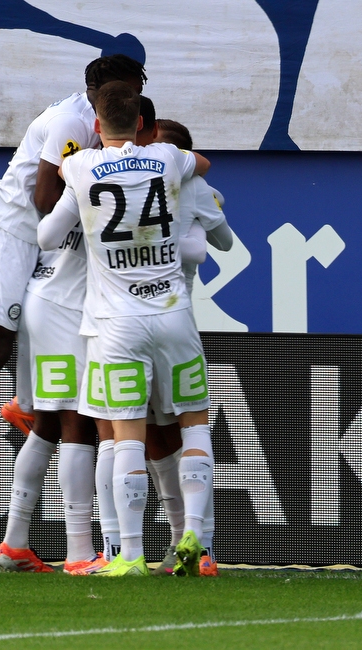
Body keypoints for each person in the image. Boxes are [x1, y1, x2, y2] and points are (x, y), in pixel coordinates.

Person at [0, 55, 148, 519]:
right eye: (128, 89)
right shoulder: (73, 121)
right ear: (101, 88)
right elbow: (45, 198)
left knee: (36, 315)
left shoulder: (88, 119)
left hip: (32, 239)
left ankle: (21, 402)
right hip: (6, 234)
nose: (133, 99)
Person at [38, 81, 215, 577]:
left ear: (96, 125)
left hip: (116, 323)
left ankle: (130, 554)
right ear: (141, 122)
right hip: (174, 314)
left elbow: (46, 235)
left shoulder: (79, 167)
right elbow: (201, 164)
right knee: (194, 426)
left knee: (125, 438)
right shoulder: (166, 158)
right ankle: (196, 540)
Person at [147, 118, 233, 577]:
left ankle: (198, 545)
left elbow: (224, 241)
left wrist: (204, 211)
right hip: (174, 322)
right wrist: (196, 230)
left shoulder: (191, 184)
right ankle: (186, 541)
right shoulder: (193, 186)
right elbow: (221, 240)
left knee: (171, 432)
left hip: (138, 322)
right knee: (163, 436)